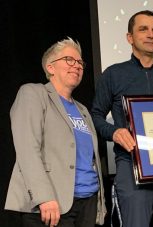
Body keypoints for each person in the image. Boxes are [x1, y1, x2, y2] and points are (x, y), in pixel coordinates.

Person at [91, 10, 153, 227]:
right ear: (130, 38)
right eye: (143, 29)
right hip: (130, 164)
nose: (151, 34)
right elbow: (95, 116)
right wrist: (114, 132)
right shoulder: (113, 75)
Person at [5, 37, 106, 227]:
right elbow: (27, 150)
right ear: (50, 67)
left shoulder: (83, 110)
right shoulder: (33, 93)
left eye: (79, 62)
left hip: (88, 203)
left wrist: (100, 204)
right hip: (53, 205)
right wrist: (44, 197)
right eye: (69, 60)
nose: (76, 65)